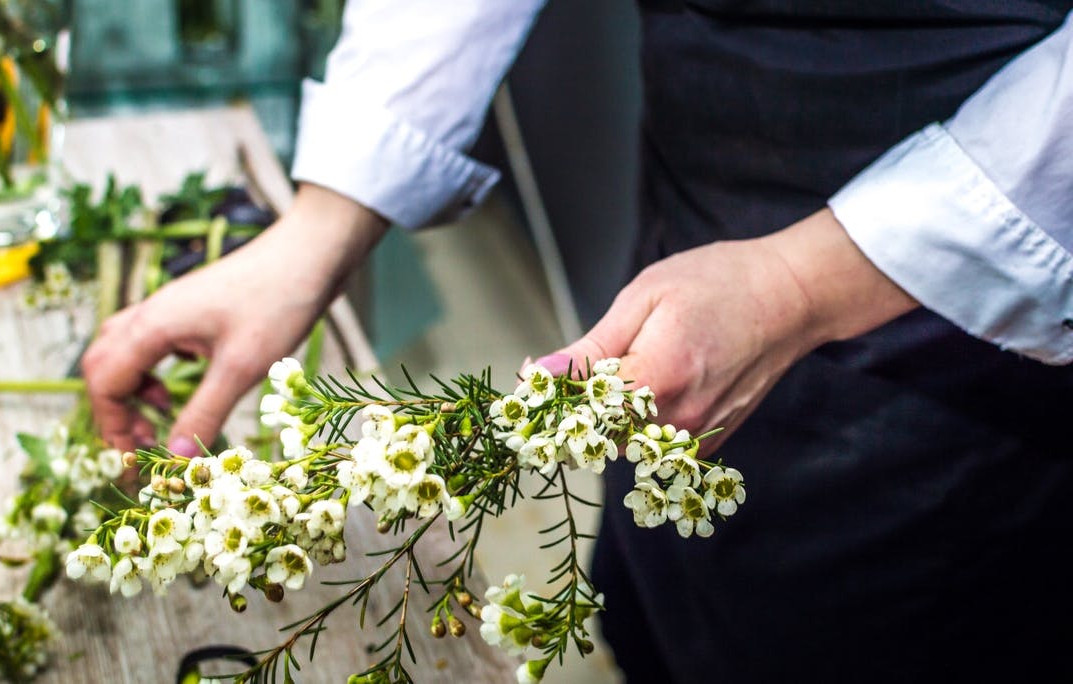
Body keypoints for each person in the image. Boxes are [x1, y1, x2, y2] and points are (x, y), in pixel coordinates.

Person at [82, 2, 1073, 681]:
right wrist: (317, 229)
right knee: (657, 609)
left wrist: (801, 279)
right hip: (698, 208)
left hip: (987, 296)